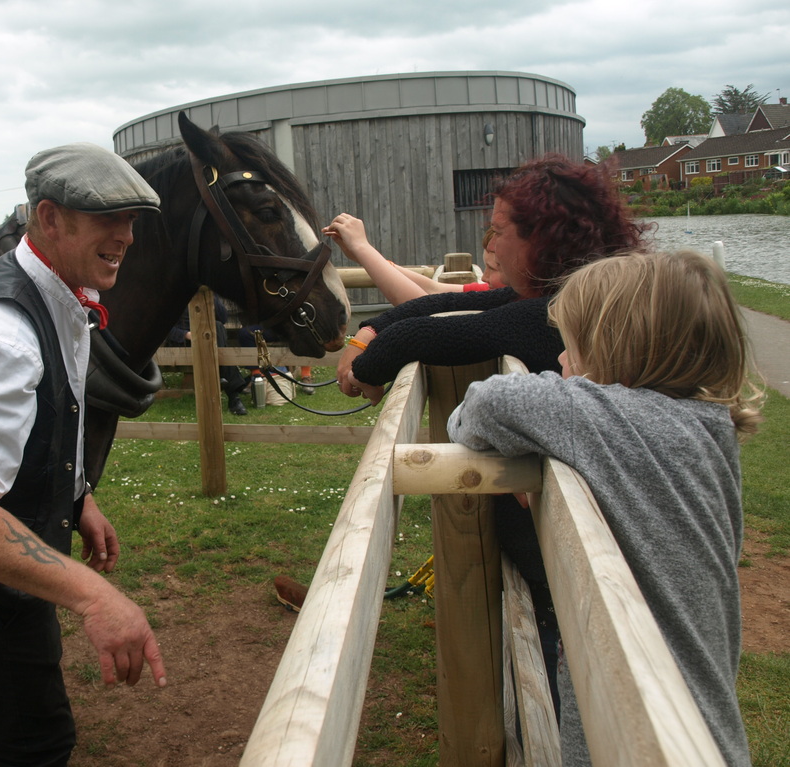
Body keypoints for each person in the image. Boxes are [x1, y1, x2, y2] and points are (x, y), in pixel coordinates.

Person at [284, 155, 647, 714]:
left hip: (590, 582)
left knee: (579, 700)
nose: (491, 247)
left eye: (499, 233)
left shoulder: (560, 311)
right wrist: (369, 332)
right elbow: (447, 305)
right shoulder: (550, 298)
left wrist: (371, 354)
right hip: (565, 569)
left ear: (543, 238)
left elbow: (439, 334)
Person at [0, 143, 168, 766]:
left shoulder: (59, 294)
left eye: (131, 220)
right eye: (109, 218)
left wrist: (77, 497)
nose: (127, 237)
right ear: (49, 218)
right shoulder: (0, 336)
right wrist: (96, 597)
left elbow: (45, 423)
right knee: (36, 741)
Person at [448, 250, 762, 766]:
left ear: (614, 351)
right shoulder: (700, 424)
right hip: (699, 723)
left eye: (570, 347)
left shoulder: (614, 419)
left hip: (639, 725)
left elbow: (484, 406)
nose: (560, 361)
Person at [322, 213, 503, 304]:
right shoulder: (492, 292)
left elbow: (422, 304)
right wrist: (364, 256)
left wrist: (363, 248)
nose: (484, 277)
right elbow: (433, 289)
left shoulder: (506, 301)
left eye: (494, 268)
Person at [167, 298, 248, 415]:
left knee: (218, 326)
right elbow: (163, 327)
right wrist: (186, 334)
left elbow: (223, 318)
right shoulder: (175, 297)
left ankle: (221, 377)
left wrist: (212, 296)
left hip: (208, 339)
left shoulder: (206, 294)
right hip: (184, 342)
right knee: (219, 346)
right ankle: (233, 396)